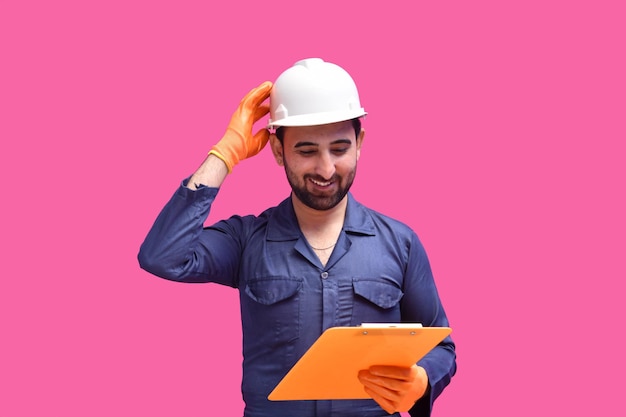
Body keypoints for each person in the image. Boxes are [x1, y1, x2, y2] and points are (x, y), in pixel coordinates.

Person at [138, 58, 456, 417]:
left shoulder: (402, 243)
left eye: (339, 149)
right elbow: (162, 256)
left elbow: (440, 345)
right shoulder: (246, 240)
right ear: (278, 151)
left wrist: (422, 380)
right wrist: (224, 153)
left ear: (359, 142)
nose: (325, 168)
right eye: (306, 151)